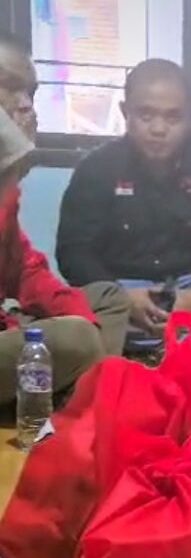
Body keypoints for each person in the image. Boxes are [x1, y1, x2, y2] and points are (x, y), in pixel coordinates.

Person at [56, 58, 191, 351]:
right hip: (121, 288)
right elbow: (74, 253)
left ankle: (142, 338)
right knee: (74, 307)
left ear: (190, 117)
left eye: (173, 117)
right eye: (146, 115)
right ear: (125, 112)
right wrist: (122, 298)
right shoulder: (97, 168)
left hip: (187, 288)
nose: (158, 129)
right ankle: (183, 336)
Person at [0, 109, 127, 404]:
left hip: (8, 327)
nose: (27, 110)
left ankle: (79, 390)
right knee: (76, 337)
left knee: (108, 298)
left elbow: (27, 270)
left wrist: (79, 314)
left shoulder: (7, 202)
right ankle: (79, 394)